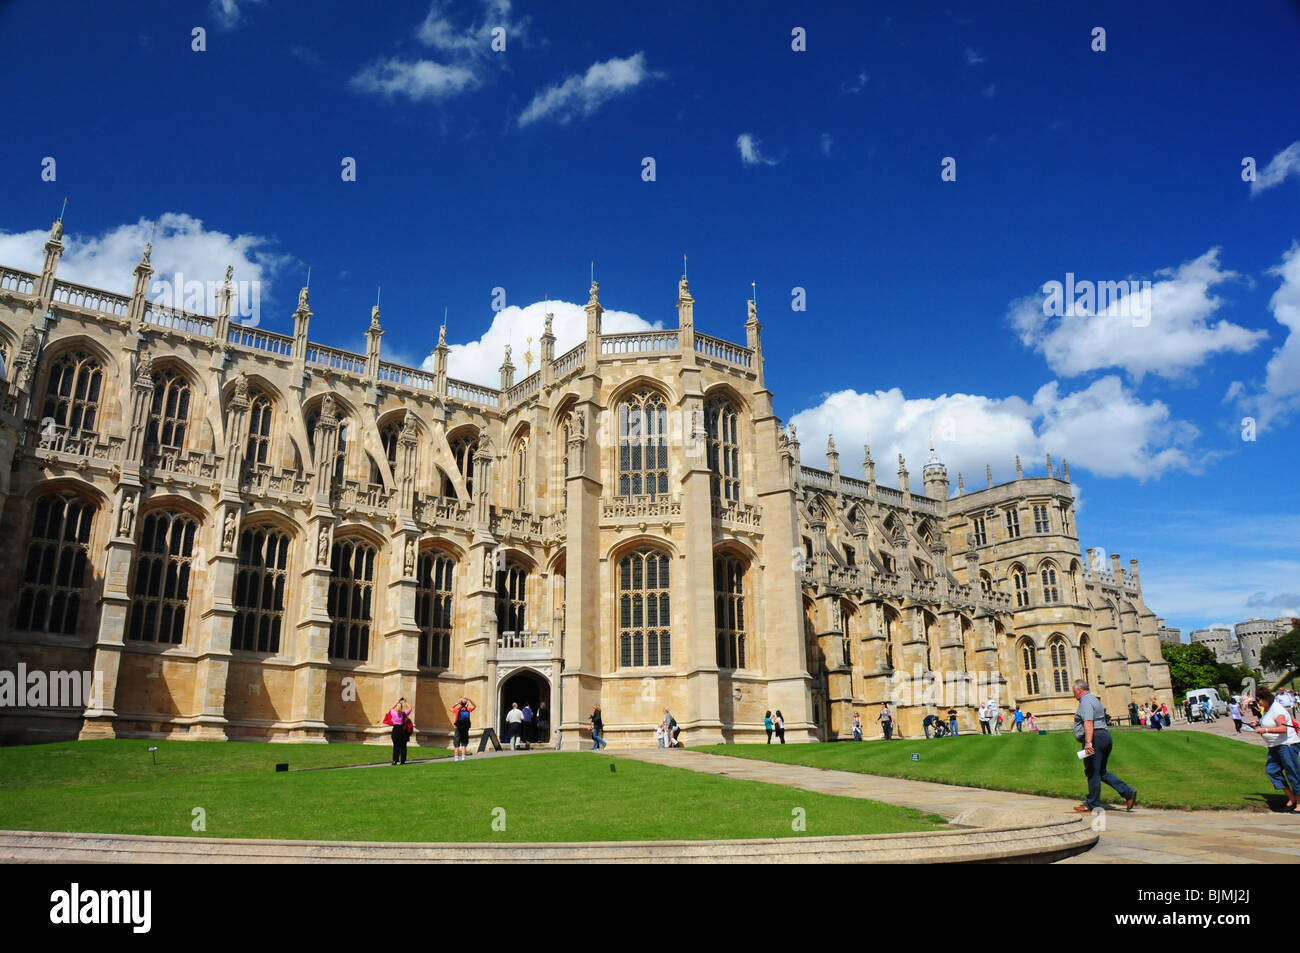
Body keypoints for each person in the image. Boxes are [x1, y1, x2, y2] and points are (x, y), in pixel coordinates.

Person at [1071, 679, 1137, 814]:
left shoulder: (1085, 701)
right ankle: (1127, 792)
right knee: (1101, 772)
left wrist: (1088, 741)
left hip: (1095, 738)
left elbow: (1088, 721)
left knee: (1092, 772)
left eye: (1074, 692)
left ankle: (1092, 804)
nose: (1074, 695)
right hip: (1104, 737)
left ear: (1079, 690)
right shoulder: (1095, 699)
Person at [1252, 686, 1300, 813]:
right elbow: (1268, 722)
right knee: (1272, 770)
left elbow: (1283, 728)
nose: (1259, 703)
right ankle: (1291, 797)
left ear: (1265, 699)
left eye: (1259, 700)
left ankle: (1299, 802)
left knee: (1292, 773)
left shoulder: (1277, 709)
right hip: (1274, 746)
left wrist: (1265, 730)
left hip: (1286, 745)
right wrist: (1258, 724)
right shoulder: (1267, 709)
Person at [385, 697, 412, 765]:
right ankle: (403, 761)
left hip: (396, 730)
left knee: (396, 746)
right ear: (402, 707)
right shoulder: (404, 713)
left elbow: (390, 709)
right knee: (403, 746)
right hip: (403, 730)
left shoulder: (393, 712)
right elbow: (410, 708)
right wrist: (405, 702)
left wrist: (397, 702)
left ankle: (395, 760)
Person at [450, 696, 475, 761]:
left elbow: (451, 708)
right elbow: (474, 706)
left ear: (460, 703)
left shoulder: (457, 710)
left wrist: (457, 703)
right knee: (464, 744)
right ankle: (463, 757)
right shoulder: (468, 710)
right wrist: (469, 699)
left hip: (458, 728)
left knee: (456, 743)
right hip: (465, 728)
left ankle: (456, 758)